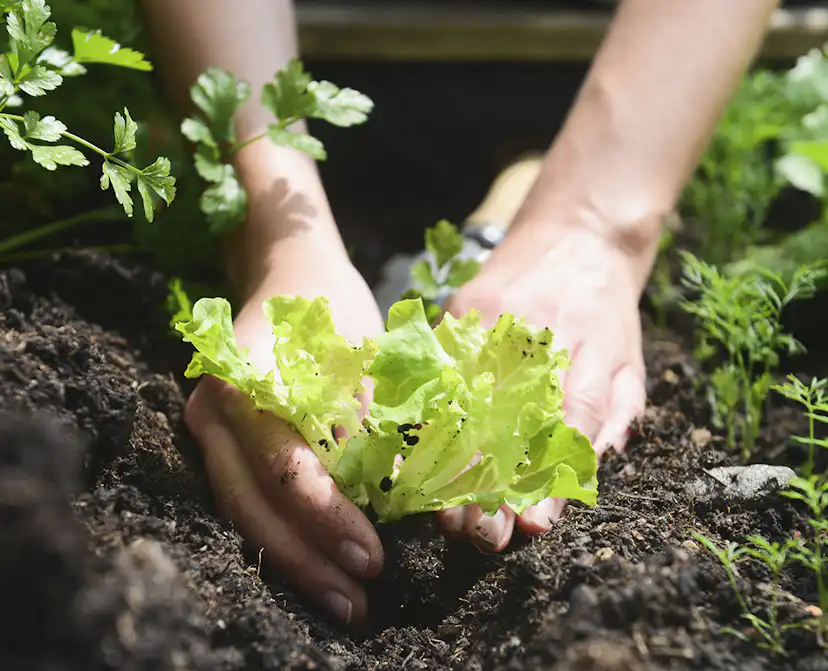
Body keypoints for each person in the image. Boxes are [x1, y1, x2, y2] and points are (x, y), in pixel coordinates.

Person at [142, 0, 779, 628]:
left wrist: (598, 223)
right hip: (318, 63)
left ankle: (526, 178)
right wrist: (279, 237)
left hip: (643, 73)